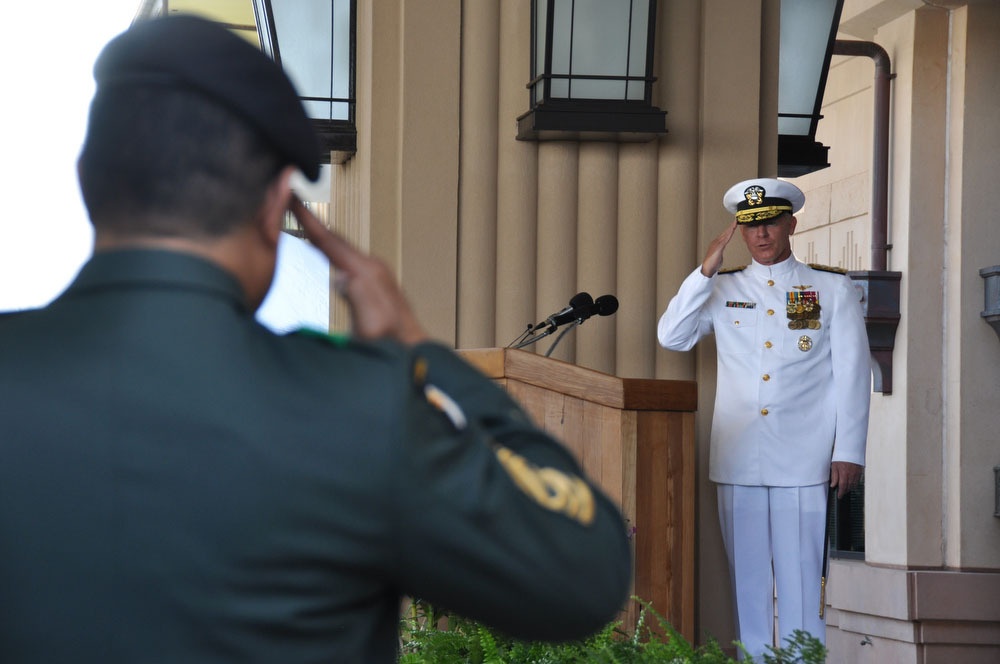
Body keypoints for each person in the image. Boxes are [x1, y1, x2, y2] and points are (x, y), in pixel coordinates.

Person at [0, 15, 632, 663]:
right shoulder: (362, 406)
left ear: (86, 180)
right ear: (277, 205)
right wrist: (418, 352)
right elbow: (583, 573)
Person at [657, 178, 870, 659]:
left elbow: (853, 375)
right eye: (752, 226)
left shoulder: (831, 289)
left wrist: (849, 451)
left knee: (800, 587)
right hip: (740, 460)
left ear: (790, 224)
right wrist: (703, 273)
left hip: (805, 458)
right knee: (748, 587)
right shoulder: (722, 287)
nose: (761, 235)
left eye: (771, 223)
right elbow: (672, 336)